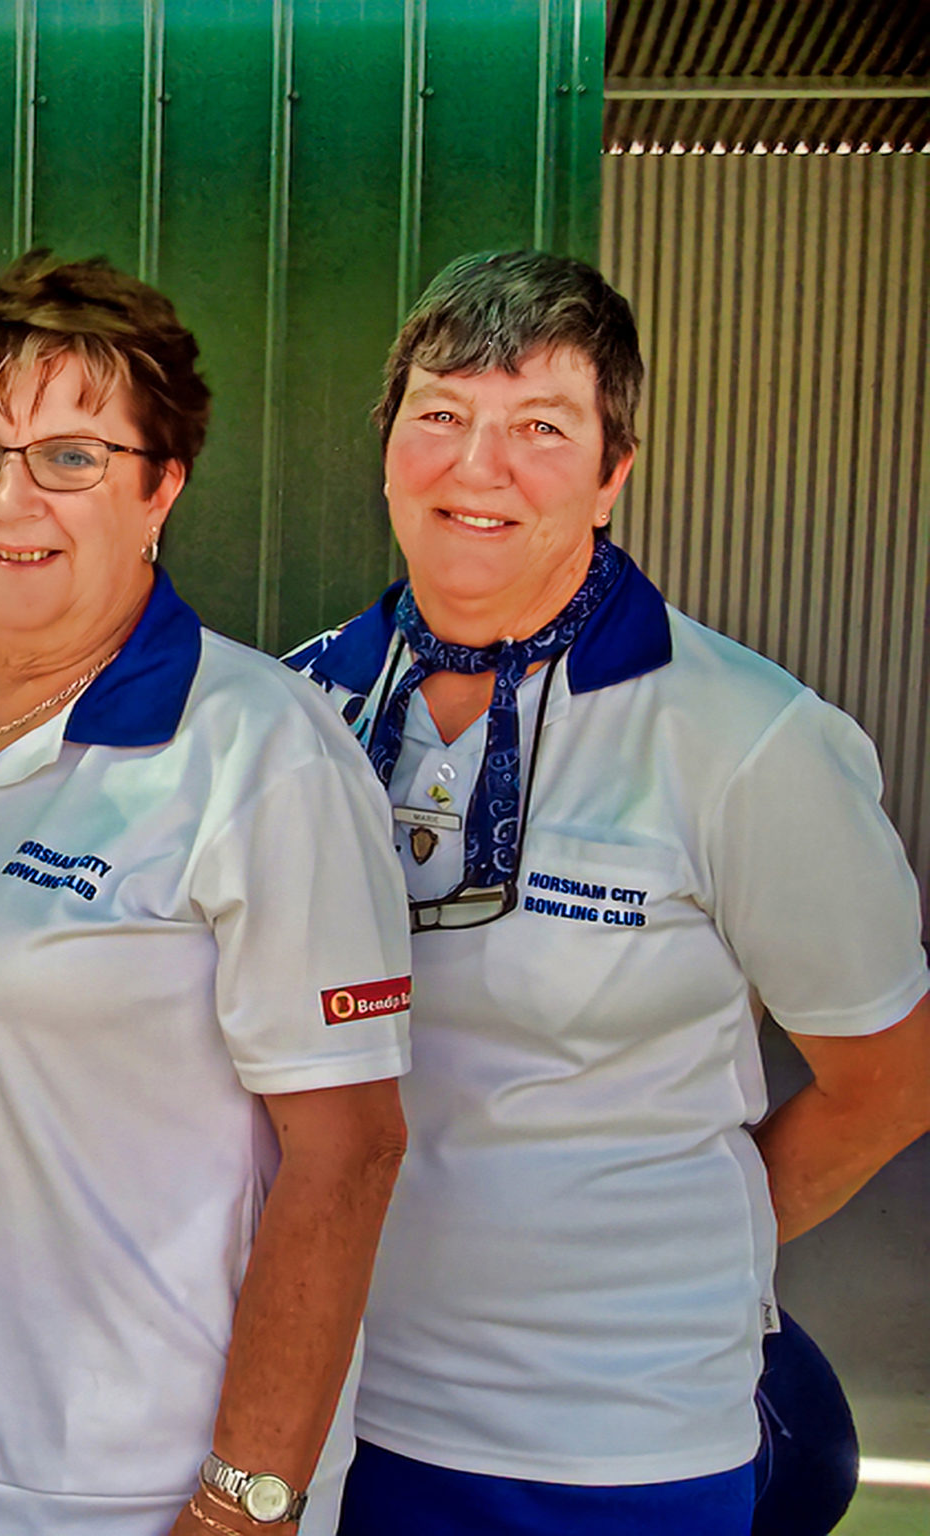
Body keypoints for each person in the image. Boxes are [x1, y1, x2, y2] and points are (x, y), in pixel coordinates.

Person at [285, 250, 930, 1535]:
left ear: (611, 472)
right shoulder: (292, 711)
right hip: (329, 1406)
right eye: (441, 414)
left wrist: (701, 1251)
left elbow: (888, 1081)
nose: (478, 467)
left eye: (540, 426)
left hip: (607, 1440)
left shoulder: (742, 740)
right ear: (386, 446)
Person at [0, 251, 412, 1536]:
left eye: (71, 456)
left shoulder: (257, 749)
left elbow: (349, 1151)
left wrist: (247, 1496)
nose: (10, 497)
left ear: (161, 487)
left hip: (141, 1491)